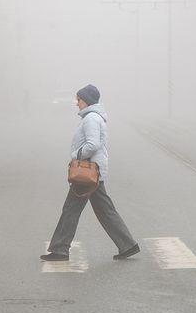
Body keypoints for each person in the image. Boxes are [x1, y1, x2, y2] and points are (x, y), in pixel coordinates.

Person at [41, 84, 140, 261]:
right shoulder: (93, 117)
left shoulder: (91, 119)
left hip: (86, 171)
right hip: (94, 170)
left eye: (78, 99)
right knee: (105, 210)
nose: (76, 103)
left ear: (86, 100)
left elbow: (92, 144)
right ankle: (128, 245)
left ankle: (60, 249)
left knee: (71, 209)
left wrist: (76, 156)